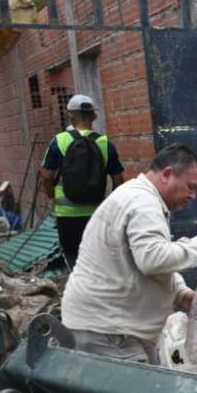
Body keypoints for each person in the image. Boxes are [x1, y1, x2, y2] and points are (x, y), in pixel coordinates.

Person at [60, 144, 197, 364]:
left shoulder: (142, 198)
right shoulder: (143, 203)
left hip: (107, 328)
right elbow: (152, 258)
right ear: (167, 174)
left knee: (146, 388)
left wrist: (180, 294)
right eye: (190, 187)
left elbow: (141, 259)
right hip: (107, 332)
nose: (193, 196)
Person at [40, 94, 125, 269]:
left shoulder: (59, 141)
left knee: (73, 259)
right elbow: (119, 180)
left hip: (66, 215)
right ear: (94, 116)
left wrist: (52, 195)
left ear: (70, 115)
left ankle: (79, 291)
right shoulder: (104, 143)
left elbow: (47, 176)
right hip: (96, 215)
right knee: (98, 260)